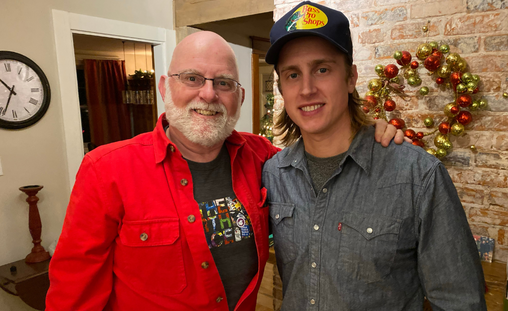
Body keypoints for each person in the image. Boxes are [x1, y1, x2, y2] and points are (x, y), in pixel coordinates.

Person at [46, 31, 402, 311]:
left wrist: (369, 133)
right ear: (165, 87)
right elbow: (73, 292)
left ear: (240, 97)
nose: (209, 94)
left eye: (224, 83)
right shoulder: (107, 169)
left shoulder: (265, 159)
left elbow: (326, 151)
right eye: (192, 78)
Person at [262, 2, 487, 310]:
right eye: (292, 75)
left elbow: (459, 300)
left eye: (322, 69)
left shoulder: (416, 175)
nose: (306, 89)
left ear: (351, 77)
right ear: (282, 89)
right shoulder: (273, 173)